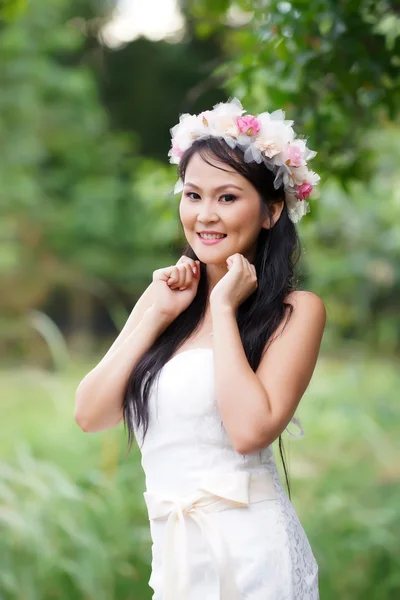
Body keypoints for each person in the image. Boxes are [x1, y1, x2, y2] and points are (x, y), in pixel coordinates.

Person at [74, 97, 326, 599]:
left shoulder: (296, 311)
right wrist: (158, 316)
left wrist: (225, 311)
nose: (205, 215)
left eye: (228, 198)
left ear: (272, 210)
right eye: (193, 195)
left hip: (255, 558)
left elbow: (249, 431)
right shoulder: (164, 295)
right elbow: (90, 412)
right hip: (176, 560)